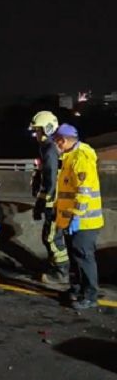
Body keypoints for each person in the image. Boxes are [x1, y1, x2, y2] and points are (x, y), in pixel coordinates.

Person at [52, 124, 104, 310]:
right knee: (75, 258)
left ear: (63, 140)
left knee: (83, 257)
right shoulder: (69, 157)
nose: (56, 145)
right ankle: (76, 289)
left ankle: (90, 295)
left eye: (56, 141)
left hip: (84, 221)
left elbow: (84, 191)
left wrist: (77, 216)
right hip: (71, 219)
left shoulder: (81, 157)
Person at [29, 111, 69, 284]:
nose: (35, 134)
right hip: (55, 200)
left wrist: (46, 202)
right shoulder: (48, 147)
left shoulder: (49, 149)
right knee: (51, 236)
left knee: (52, 237)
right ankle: (57, 266)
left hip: (55, 202)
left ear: (47, 129)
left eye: (37, 130)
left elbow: (51, 177)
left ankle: (61, 272)